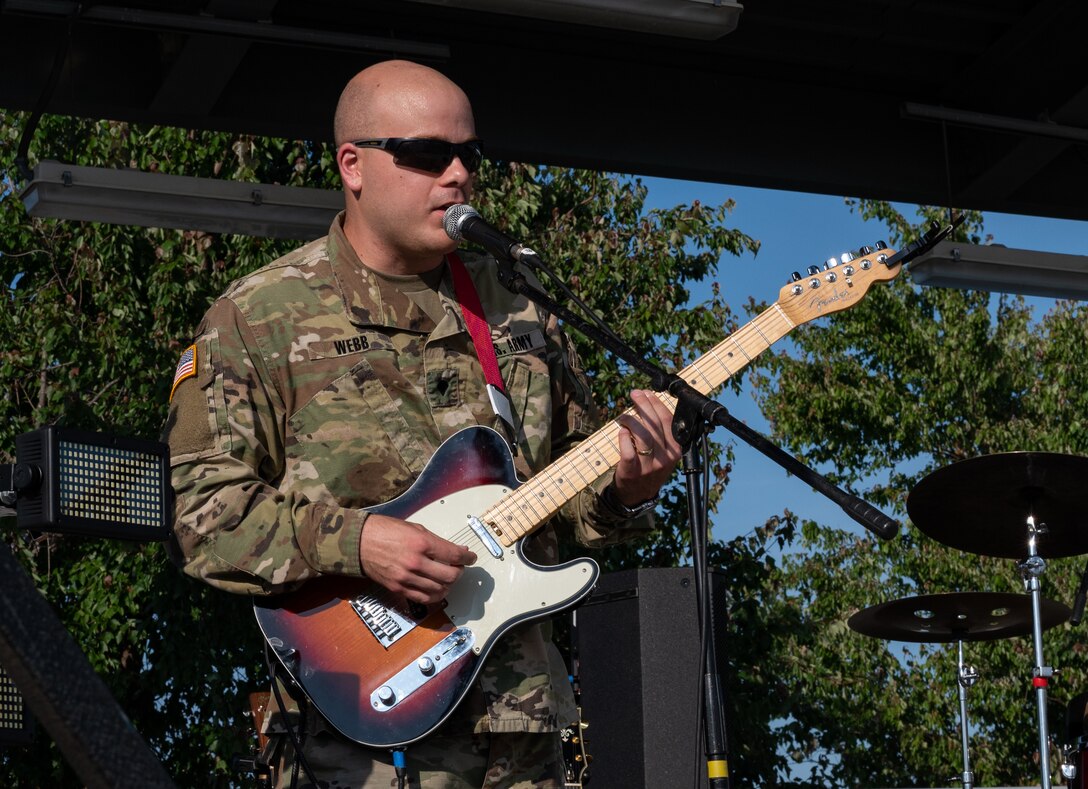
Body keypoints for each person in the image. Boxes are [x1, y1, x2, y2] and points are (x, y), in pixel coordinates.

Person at [162, 59, 680, 788]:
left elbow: (571, 512)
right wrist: (359, 541)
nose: (459, 173)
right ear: (354, 165)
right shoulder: (258, 317)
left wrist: (629, 489)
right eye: (428, 154)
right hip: (360, 742)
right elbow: (202, 518)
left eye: (471, 154)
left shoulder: (519, 310)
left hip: (526, 732)